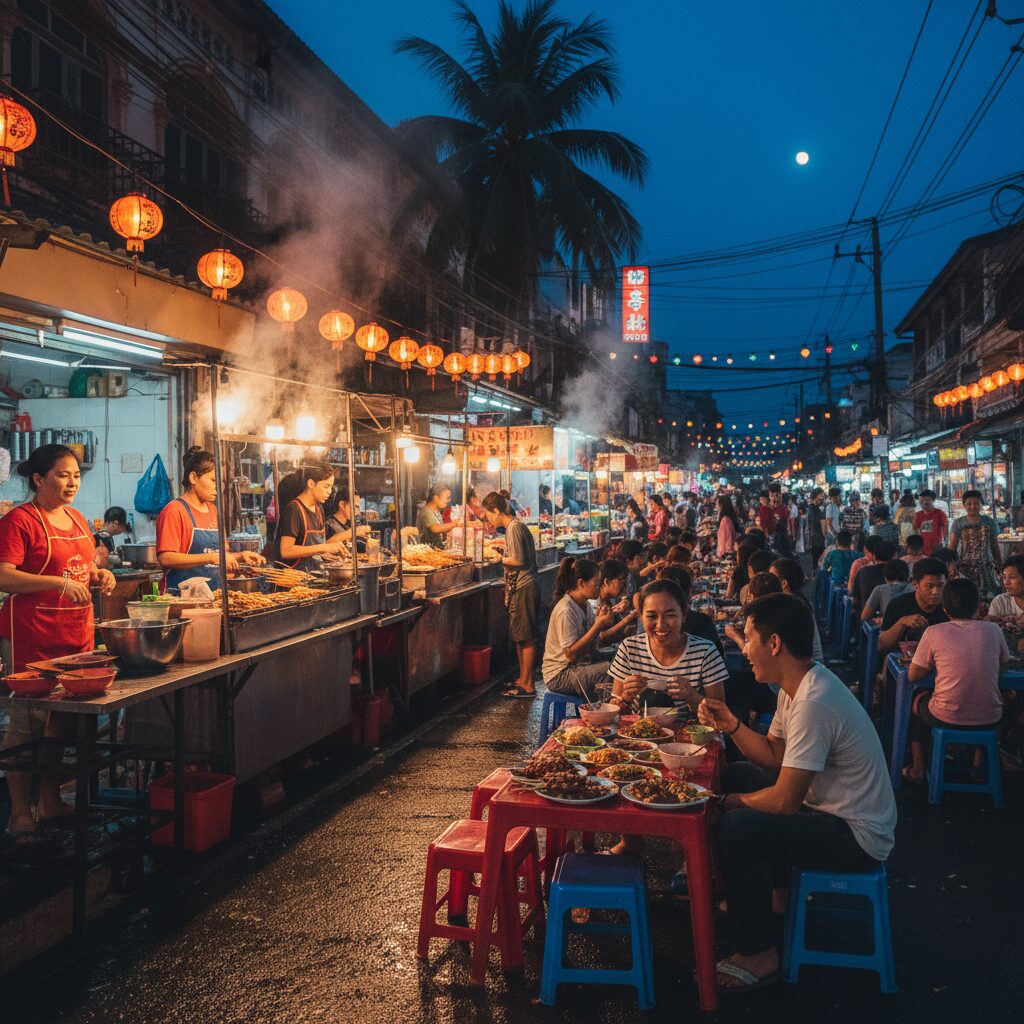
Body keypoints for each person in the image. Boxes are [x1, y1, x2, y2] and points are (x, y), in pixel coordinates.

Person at [697, 594, 896, 993]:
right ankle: (773, 895)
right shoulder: (797, 684)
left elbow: (785, 801)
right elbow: (773, 757)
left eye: (749, 638)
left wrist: (723, 806)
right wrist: (733, 724)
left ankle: (758, 952)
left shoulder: (814, 702)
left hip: (854, 835)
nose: (744, 650)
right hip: (826, 809)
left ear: (774, 644)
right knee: (738, 774)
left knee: (737, 827)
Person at [0, 445, 117, 844]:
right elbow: (6, 577)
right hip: (31, 636)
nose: (72, 483)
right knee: (26, 727)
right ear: (38, 478)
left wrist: (100, 575)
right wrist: (59, 584)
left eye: (76, 476)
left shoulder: (78, 519)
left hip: (75, 635)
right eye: (63, 475)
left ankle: (50, 802)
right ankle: (19, 815)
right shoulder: (20, 521)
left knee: (59, 724)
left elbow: (83, 567)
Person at [904, 578, 1008, 783]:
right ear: (978, 607)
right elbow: (1001, 668)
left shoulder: (934, 632)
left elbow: (913, 675)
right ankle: (977, 767)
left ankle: (918, 767)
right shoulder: (994, 631)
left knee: (917, 698)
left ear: (944, 608)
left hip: (946, 716)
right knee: (984, 699)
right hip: (991, 718)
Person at [609, 579, 728, 717]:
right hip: (635, 736)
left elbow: (720, 715)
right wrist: (625, 699)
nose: (660, 625)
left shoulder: (706, 652)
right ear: (641, 616)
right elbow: (614, 714)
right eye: (652, 616)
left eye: (670, 615)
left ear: (683, 615)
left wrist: (692, 695)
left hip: (689, 735)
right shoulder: (629, 648)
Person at [157, 447, 263, 591]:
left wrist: (240, 556)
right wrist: (212, 557)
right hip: (181, 598)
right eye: (213, 480)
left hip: (214, 594)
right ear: (193, 478)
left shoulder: (213, 511)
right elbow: (166, 558)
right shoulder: (174, 511)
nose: (218, 487)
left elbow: (218, 555)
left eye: (221, 481)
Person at [481, 492, 538, 697]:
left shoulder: (513, 528)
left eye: (488, 514)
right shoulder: (516, 527)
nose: (488, 519)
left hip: (524, 586)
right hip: (522, 586)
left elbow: (520, 560)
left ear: (496, 510)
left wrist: (499, 559)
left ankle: (528, 685)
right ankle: (523, 680)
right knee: (520, 637)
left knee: (526, 637)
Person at [542, 557, 621, 699]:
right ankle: (605, 714)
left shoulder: (586, 606)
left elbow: (593, 645)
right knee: (610, 670)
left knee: (620, 659)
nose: (599, 587)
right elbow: (570, 655)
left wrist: (604, 624)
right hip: (560, 674)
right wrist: (598, 625)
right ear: (581, 583)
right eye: (596, 583)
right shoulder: (566, 610)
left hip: (580, 665)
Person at [276, 463, 349, 572]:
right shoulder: (294, 510)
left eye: (331, 487)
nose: (330, 491)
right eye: (326, 486)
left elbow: (314, 549)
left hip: (315, 576)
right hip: (295, 580)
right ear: (311, 484)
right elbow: (286, 551)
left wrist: (326, 554)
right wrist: (324, 548)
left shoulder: (319, 509)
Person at [879, 556, 948, 656]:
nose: (935, 592)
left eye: (940, 585)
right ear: (915, 584)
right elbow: (881, 646)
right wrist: (901, 623)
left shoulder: (948, 607)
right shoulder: (898, 605)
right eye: (929, 586)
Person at [768, 557, 824, 661]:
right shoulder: (796, 599)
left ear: (784, 584)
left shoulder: (791, 607)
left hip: (807, 669)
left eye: (771, 578)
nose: (768, 582)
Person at [949, 489, 1002, 599]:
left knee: (989, 596)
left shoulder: (989, 522)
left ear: (981, 504)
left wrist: (1000, 567)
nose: (972, 506)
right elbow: (952, 548)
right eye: (969, 504)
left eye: (976, 503)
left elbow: (994, 547)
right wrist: (950, 566)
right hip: (964, 567)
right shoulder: (958, 523)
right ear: (964, 505)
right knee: (966, 595)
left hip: (986, 566)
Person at [852, 540, 898, 610]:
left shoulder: (862, 571)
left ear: (874, 556)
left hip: (866, 617)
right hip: (891, 617)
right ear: (894, 556)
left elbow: (855, 600)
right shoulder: (898, 572)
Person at [416, 484, 464, 548]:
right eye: (447, 498)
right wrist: (455, 523)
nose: (448, 501)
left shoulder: (436, 511)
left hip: (437, 549)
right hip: (428, 552)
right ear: (436, 498)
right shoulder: (426, 512)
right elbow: (436, 528)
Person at [913, 489, 947, 555]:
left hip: (936, 547)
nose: (923, 503)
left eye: (927, 500)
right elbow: (916, 530)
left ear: (933, 500)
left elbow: (945, 527)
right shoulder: (918, 515)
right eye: (921, 501)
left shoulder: (940, 513)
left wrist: (945, 542)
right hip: (922, 548)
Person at [807, 488, 826, 569]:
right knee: (819, 558)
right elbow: (820, 524)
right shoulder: (815, 509)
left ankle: (815, 575)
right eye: (821, 496)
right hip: (818, 538)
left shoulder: (813, 508)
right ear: (816, 496)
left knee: (816, 559)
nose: (823, 498)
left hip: (815, 538)